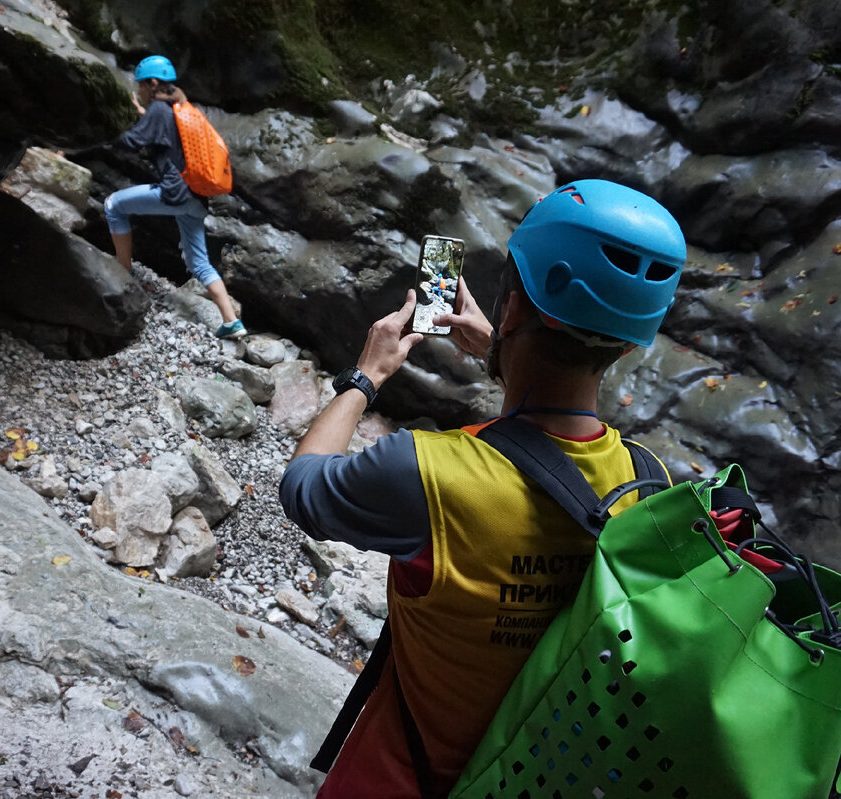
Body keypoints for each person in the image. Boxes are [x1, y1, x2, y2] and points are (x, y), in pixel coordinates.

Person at [278, 179, 687, 798]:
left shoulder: (421, 472)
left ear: (514, 307)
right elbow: (547, 445)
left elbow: (302, 487)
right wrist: (501, 349)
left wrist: (367, 375)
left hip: (398, 780)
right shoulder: (646, 483)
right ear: (632, 341)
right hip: (536, 779)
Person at [104, 54, 246, 339]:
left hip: (174, 192)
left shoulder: (159, 108)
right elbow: (167, 135)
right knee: (199, 263)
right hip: (195, 199)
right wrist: (143, 116)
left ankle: (124, 269)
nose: (140, 92)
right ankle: (232, 322)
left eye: (142, 86)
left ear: (153, 83)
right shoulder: (179, 108)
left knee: (114, 205)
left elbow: (132, 141)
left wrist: (98, 135)